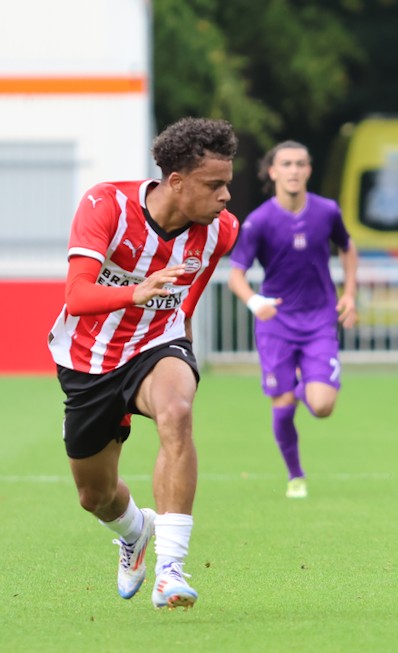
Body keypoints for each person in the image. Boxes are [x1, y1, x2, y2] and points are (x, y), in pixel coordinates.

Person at [48, 117, 240, 609]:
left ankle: (171, 571)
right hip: (88, 360)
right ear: (176, 181)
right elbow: (76, 295)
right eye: (214, 185)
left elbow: (188, 299)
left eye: (227, 185)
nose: (225, 198)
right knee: (96, 495)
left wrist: (184, 354)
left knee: (177, 412)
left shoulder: (220, 232)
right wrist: (137, 290)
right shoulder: (105, 205)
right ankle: (135, 531)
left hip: (157, 345)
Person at [227, 141, 358, 499]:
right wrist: (255, 302)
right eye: (286, 164)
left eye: (301, 163)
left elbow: (347, 247)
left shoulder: (327, 211)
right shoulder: (259, 221)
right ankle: (295, 475)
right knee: (282, 408)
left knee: (323, 406)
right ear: (273, 172)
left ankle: (301, 385)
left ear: (309, 170)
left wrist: (349, 294)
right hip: (276, 325)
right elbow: (236, 274)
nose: (294, 170)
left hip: (319, 321)